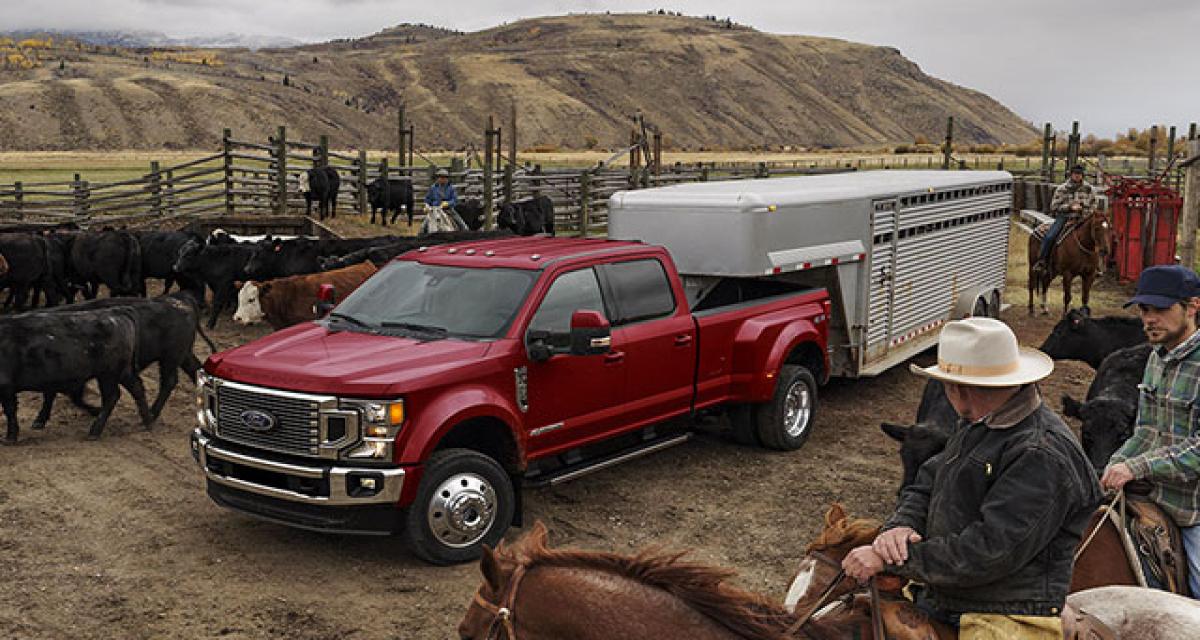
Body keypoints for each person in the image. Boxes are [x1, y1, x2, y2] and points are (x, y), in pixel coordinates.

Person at [842, 317, 1102, 639]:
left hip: (1008, 610)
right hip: (944, 594)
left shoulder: (1042, 454)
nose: (955, 398)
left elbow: (990, 551)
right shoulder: (982, 420)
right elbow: (928, 480)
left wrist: (893, 561)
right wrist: (900, 526)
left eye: (966, 387)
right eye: (950, 386)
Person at [1101, 264, 1200, 598]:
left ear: (1193, 306)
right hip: (1153, 497)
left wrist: (1137, 467)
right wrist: (1114, 464)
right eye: (1144, 309)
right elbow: (1145, 431)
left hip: (1193, 510)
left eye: (1160, 309)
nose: (1149, 319)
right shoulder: (1156, 359)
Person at [1033, 164, 1095, 274]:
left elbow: (1093, 205)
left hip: (1084, 218)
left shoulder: (1089, 189)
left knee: (1098, 236)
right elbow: (1054, 206)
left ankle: (1096, 265)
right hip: (1065, 218)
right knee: (1050, 236)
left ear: (1082, 175)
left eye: (1079, 174)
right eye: (1075, 174)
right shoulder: (1062, 188)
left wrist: (1086, 212)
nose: (1077, 176)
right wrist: (1070, 207)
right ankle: (1042, 261)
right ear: (1071, 174)